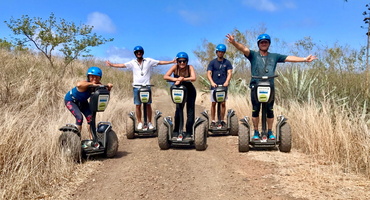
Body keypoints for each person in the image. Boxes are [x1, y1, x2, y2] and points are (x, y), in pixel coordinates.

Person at [226, 33, 317, 140]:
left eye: (266, 42)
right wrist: (234, 43)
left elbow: (288, 58)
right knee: (255, 110)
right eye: (262, 42)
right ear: (259, 44)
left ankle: (269, 132)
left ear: (269, 44)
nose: (264, 44)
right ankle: (256, 132)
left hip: (270, 86)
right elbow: (244, 49)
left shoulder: (274, 56)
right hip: (256, 86)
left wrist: (304, 59)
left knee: (270, 110)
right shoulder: (253, 55)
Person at [106, 46, 175, 130]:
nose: (139, 53)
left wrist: (171, 61)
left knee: (148, 105)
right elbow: (123, 65)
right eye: (137, 52)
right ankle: (139, 122)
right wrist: (112, 65)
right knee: (138, 105)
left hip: (147, 86)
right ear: (135, 53)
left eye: (140, 52)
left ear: (142, 53)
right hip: (137, 87)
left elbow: (160, 62)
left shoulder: (149, 61)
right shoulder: (132, 62)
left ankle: (149, 122)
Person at [64, 66, 113, 139]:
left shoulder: (98, 84)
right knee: (79, 118)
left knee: (90, 118)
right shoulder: (85, 83)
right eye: (92, 77)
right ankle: (76, 140)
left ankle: (92, 138)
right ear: (88, 77)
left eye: (97, 77)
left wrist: (109, 87)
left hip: (83, 102)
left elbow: (104, 92)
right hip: (71, 100)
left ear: (100, 78)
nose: (94, 79)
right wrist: (93, 84)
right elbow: (78, 84)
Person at [163, 52, 197, 137]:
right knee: (178, 109)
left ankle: (189, 131)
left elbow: (193, 78)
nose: (182, 63)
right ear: (177, 61)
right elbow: (165, 76)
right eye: (180, 61)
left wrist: (183, 79)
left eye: (184, 61)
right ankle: (177, 130)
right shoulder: (175, 67)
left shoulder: (190, 67)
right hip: (179, 90)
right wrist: (176, 79)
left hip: (190, 90)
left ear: (187, 61)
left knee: (190, 111)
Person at [207, 44, 233, 128]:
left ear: (224, 53)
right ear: (216, 52)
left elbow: (229, 73)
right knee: (213, 103)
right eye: (219, 52)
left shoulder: (227, 62)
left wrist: (227, 82)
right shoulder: (212, 62)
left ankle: (222, 120)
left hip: (223, 86)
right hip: (214, 86)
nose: (220, 53)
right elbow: (208, 73)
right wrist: (211, 82)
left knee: (223, 103)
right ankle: (213, 121)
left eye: (222, 52)